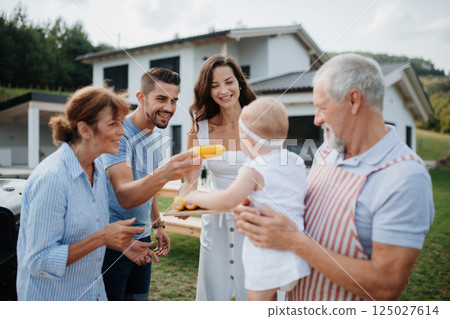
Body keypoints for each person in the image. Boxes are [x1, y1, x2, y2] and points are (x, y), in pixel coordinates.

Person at [234, 53, 435, 301]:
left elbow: (385, 285)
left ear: (353, 100)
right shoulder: (327, 152)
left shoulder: (405, 176)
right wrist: (259, 214)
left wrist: (294, 241)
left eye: (321, 107)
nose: (317, 119)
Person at [16, 86, 157, 301]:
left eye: (121, 122)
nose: (122, 130)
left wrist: (120, 244)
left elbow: (85, 233)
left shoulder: (98, 170)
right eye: (113, 124)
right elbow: (39, 261)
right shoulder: (52, 178)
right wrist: (102, 237)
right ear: (85, 129)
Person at [184, 97, 311, 300]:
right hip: (293, 253)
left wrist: (195, 195)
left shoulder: (253, 169)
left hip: (264, 253)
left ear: (248, 140)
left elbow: (227, 200)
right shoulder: (295, 161)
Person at [101, 67, 202, 301]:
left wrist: (157, 223)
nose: (169, 107)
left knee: (138, 301)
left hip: (143, 238)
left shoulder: (155, 136)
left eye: (174, 100)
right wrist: (166, 173)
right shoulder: (120, 134)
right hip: (114, 243)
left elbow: (149, 185)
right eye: (161, 98)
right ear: (141, 97)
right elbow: (125, 195)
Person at [177, 54, 257, 301]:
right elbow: (189, 186)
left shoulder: (261, 123)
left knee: (255, 296)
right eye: (214, 85)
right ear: (207, 91)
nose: (223, 90)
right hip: (216, 225)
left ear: (239, 83)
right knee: (213, 296)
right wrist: (182, 204)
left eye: (228, 82)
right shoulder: (199, 131)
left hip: (254, 222)